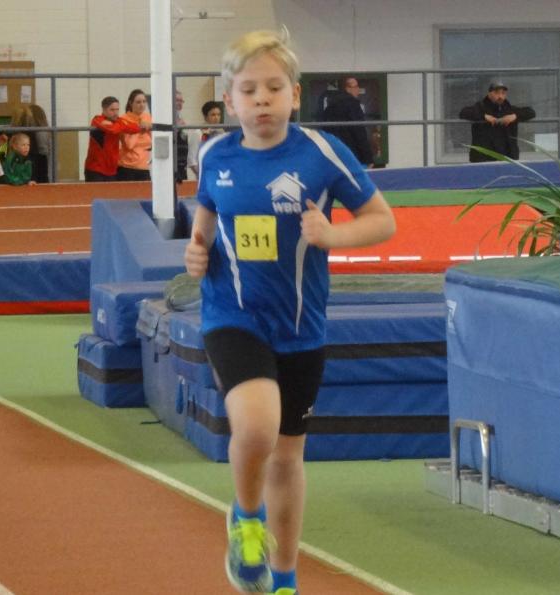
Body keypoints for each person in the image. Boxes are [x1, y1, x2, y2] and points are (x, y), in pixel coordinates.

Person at [183, 29, 395, 595]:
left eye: (274, 88)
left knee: (287, 458)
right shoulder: (214, 154)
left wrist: (333, 235)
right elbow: (206, 214)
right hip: (232, 313)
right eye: (249, 89)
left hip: (301, 324)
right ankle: (245, 519)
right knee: (257, 427)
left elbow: (383, 221)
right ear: (230, 100)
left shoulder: (322, 153)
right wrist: (196, 251)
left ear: (295, 95)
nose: (262, 99)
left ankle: (283, 578)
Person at [459, 81, 536, 163]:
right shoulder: (480, 108)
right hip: (483, 158)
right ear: (489, 94)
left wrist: (515, 116)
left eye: (503, 93)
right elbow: (463, 112)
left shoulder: (510, 110)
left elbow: (531, 112)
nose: (500, 96)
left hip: (507, 157)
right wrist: (483, 116)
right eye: (497, 93)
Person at [84, 96, 150, 182]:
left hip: (112, 170)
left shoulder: (118, 121)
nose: (115, 113)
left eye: (117, 110)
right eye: (112, 110)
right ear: (104, 110)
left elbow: (132, 127)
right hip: (96, 169)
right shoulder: (97, 120)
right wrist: (123, 126)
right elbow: (112, 129)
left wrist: (142, 126)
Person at [321, 76, 373, 167]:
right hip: (353, 155)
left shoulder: (330, 106)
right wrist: (368, 158)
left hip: (335, 154)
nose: (358, 89)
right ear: (347, 89)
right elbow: (359, 132)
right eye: (355, 87)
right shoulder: (353, 105)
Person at [117, 89, 152, 181]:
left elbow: (153, 142)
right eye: (138, 102)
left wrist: (150, 128)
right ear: (130, 103)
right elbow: (129, 145)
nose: (142, 105)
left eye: (144, 101)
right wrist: (139, 128)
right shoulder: (123, 119)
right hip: (127, 167)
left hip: (144, 166)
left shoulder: (147, 117)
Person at [187, 100, 224, 177]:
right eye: (213, 115)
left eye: (218, 114)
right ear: (205, 117)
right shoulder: (197, 133)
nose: (216, 118)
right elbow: (192, 161)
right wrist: (203, 175)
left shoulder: (222, 133)